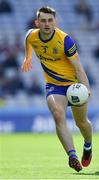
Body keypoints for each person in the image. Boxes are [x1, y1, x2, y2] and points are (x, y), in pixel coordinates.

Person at [22, 6, 92, 172]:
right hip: (54, 85)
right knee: (58, 114)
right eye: (43, 21)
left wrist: (86, 89)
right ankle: (72, 156)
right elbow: (28, 42)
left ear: (55, 21)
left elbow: (79, 68)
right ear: (37, 22)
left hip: (73, 86)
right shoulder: (31, 35)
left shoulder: (65, 40)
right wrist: (28, 56)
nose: (47, 24)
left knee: (81, 123)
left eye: (50, 20)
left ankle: (88, 145)